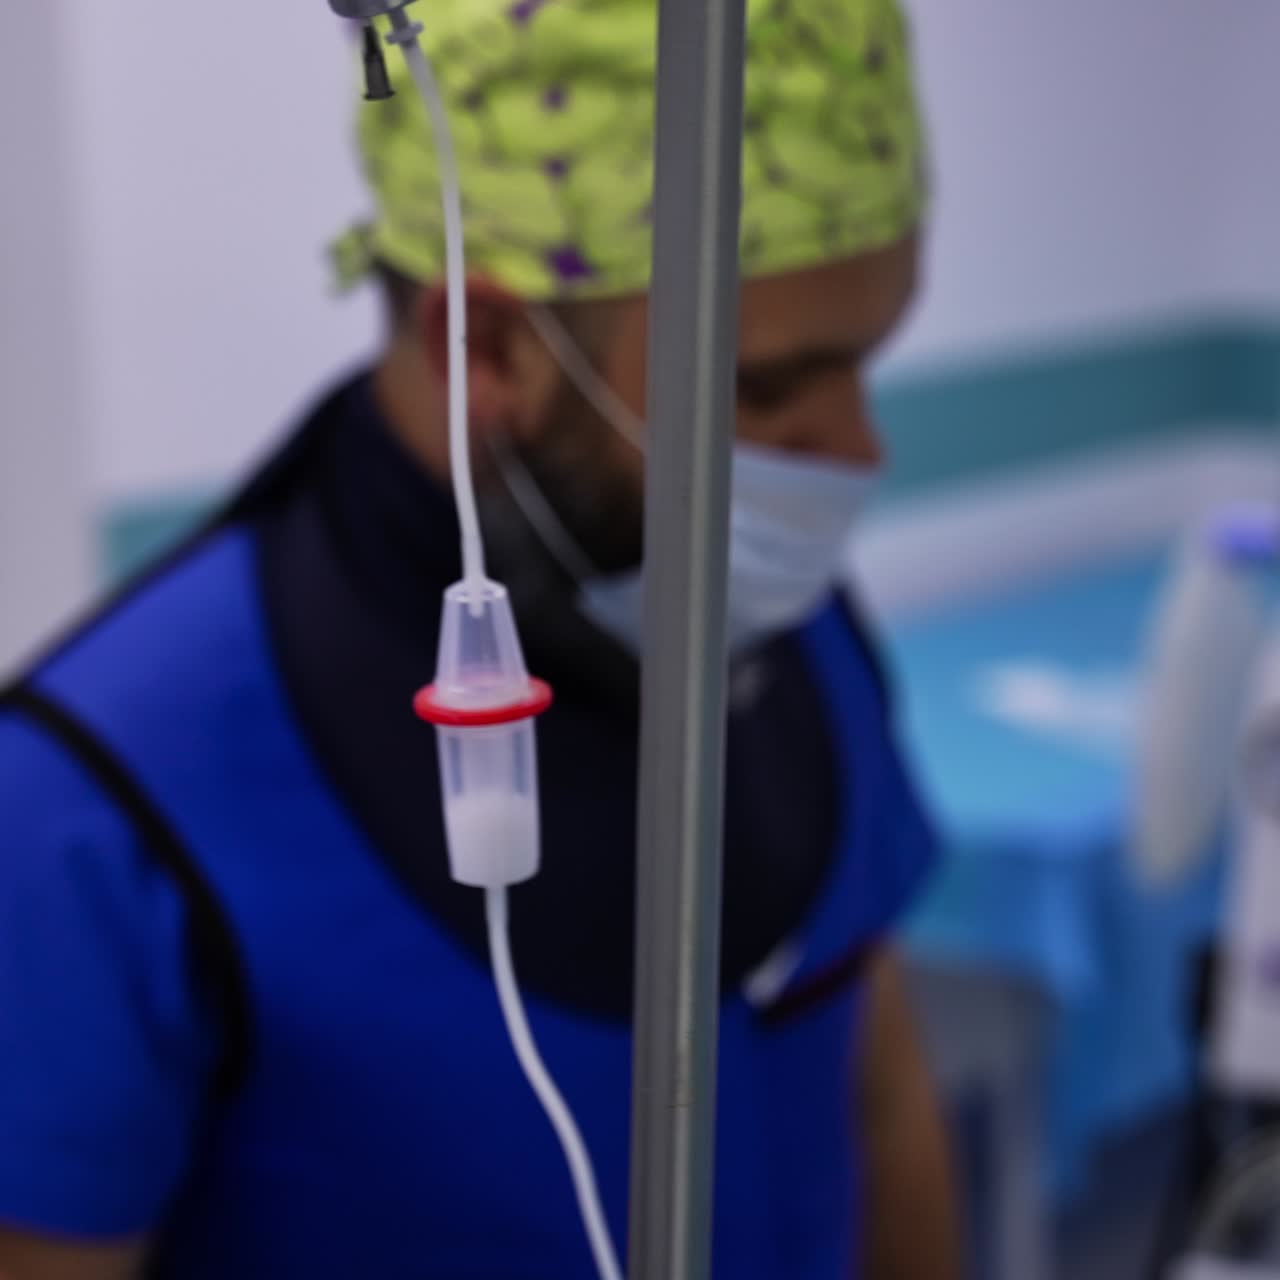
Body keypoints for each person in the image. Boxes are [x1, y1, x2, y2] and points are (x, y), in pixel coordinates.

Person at [0, 0, 959, 1276]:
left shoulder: (790, 628)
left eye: (863, 366)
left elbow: (875, 1090)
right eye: (765, 385)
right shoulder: (91, 812)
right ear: (489, 343)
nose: (853, 452)